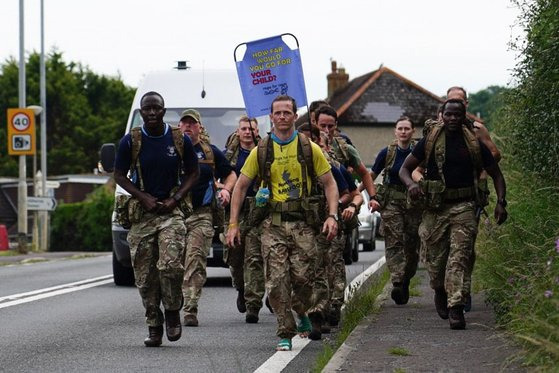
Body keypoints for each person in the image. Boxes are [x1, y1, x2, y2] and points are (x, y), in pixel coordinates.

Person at [226, 95, 339, 351]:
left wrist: (332, 215)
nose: (282, 117)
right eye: (277, 113)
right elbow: (241, 187)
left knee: (303, 280)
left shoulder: (309, 148)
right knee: (276, 281)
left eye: (287, 112)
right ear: (271, 116)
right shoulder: (262, 150)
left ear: (294, 115)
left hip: (303, 225)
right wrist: (233, 224)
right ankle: (284, 332)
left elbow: (329, 183)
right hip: (273, 225)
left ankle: (302, 313)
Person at [399, 99, 507, 330]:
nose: (453, 119)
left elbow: (496, 174)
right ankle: (439, 289)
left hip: (464, 207)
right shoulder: (430, 140)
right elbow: (404, 169)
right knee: (435, 263)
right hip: (435, 209)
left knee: (460, 257)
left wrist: (501, 202)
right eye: (448, 115)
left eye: (457, 115)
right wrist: (411, 185)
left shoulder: (473, 142)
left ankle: (456, 307)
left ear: (464, 115)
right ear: (442, 115)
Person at [114, 91, 200, 347]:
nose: (152, 113)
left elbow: (193, 173)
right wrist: (142, 197)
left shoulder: (178, 139)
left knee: (171, 265)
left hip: (170, 212)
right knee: (145, 276)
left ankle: (173, 311)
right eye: (147, 109)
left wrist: (176, 198)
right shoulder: (131, 141)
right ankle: (154, 324)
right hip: (143, 215)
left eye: (156, 109)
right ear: (141, 112)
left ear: (164, 111)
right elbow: (119, 175)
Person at [178, 109, 237, 327]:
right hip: (174, 214)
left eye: (192, 124)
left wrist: (226, 190)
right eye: (184, 123)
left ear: (199, 128)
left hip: (201, 214)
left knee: (195, 260)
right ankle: (175, 302)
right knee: (172, 264)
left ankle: (190, 308)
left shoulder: (209, 152)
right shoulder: (170, 150)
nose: (187, 127)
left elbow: (231, 174)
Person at [370, 117, 421, 305]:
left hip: (414, 204)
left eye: (407, 128)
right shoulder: (388, 152)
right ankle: (397, 281)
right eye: (400, 128)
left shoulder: (419, 152)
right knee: (394, 242)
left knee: (412, 246)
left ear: (413, 131)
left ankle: (406, 278)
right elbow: (371, 176)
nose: (403, 132)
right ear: (395, 131)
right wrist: (362, 195)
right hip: (392, 203)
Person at [222, 115, 267, 323]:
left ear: (257, 132)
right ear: (237, 132)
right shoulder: (228, 156)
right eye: (243, 129)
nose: (247, 132)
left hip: (258, 209)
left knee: (255, 258)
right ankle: (241, 288)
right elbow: (216, 178)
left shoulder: (266, 154)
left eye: (251, 129)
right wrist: (223, 190)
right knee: (236, 257)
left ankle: (253, 304)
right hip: (236, 210)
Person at [315, 105, 380, 212]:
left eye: (330, 126)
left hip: (341, 201)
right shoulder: (308, 148)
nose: (326, 130)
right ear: (315, 124)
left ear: (336, 125)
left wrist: (372, 197)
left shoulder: (345, 149)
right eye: (322, 126)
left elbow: (364, 173)